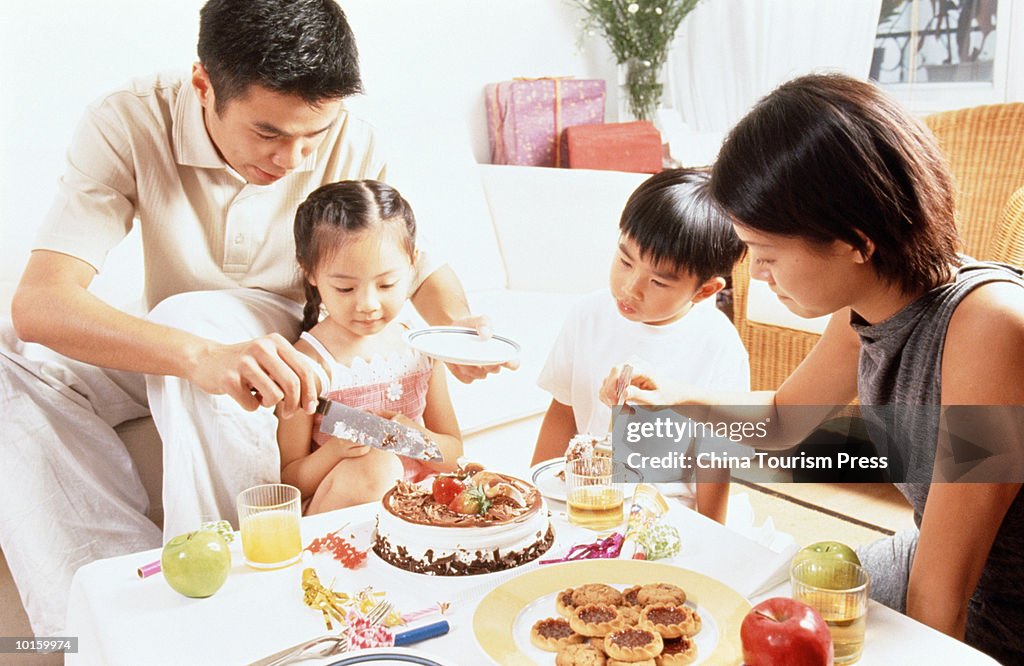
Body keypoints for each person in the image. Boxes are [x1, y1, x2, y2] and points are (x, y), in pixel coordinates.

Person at [0, 0, 507, 637]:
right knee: (10, 356)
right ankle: (104, 605)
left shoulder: (351, 138)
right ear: (204, 84)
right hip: (198, 334)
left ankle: (238, 603)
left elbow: (415, 263)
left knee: (196, 318)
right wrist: (199, 358)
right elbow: (41, 302)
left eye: (312, 137)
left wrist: (458, 330)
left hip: (301, 328)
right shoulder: (129, 120)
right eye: (268, 133)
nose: (293, 159)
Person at [600, 74, 1024, 663]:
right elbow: (780, 422)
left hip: (1004, 608)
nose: (761, 277)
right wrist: (673, 396)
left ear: (855, 241)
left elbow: (944, 597)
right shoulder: (869, 308)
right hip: (938, 563)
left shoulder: (994, 331)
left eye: (769, 257)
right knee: (737, 613)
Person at [531, 169, 750, 524]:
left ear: (705, 290)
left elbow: (714, 458)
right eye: (625, 261)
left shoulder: (717, 344)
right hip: (586, 495)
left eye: (659, 282)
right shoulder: (589, 314)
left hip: (667, 508)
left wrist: (714, 532)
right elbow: (563, 409)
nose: (630, 287)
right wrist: (536, 495)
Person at [277, 181, 462, 513]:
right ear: (311, 274)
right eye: (346, 288)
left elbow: (454, 456)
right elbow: (288, 481)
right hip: (342, 514)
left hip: (419, 511)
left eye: (386, 284)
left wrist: (414, 436)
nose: (368, 304)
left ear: (413, 264)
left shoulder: (421, 350)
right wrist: (337, 452)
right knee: (377, 464)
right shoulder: (307, 363)